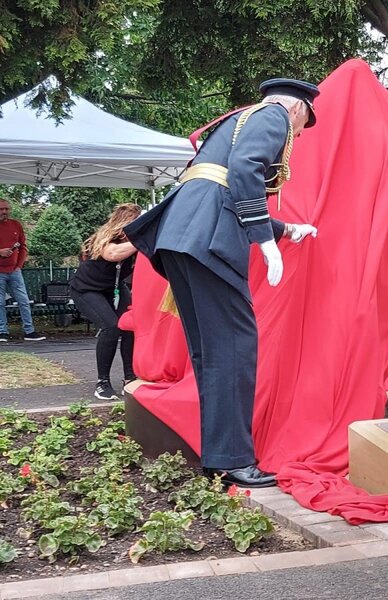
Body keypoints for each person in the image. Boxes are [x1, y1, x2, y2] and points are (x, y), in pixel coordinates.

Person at [124, 79, 320, 488]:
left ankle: (220, 456)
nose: (297, 137)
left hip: (182, 236)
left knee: (212, 353)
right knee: (233, 349)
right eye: (302, 129)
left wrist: (284, 230)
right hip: (208, 241)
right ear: (299, 109)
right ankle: (232, 460)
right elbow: (246, 169)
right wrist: (265, 242)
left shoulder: (238, 118)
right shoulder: (275, 116)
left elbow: (221, 187)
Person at [69, 203, 142, 400]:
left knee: (130, 325)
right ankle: (102, 383)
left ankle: (130, 377)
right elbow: (112, 254)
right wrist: (143, 239)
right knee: (111, 327)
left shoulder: (136, 242)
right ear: (125, 223)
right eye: (139, 222)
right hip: (86, 289)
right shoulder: (107, 238)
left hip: (113, 289)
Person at [0, 199, 46, 343]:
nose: (4, 212)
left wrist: (19, 265)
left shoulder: (16, 225)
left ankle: (29, 331)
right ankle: (2, 332)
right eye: (1, 209)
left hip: (14, 270)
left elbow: (23, 247)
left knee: (24, 301)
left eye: (7, 209)